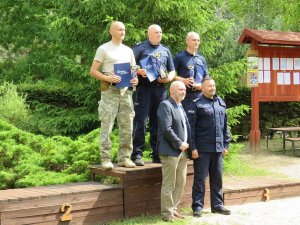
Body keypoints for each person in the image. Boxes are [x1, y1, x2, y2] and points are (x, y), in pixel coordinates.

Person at [90, 21, 138, 169]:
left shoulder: (128, 50)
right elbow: (93, 71)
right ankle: (105, 159)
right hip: (110, 91)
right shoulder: (103, 49)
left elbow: (133, 69)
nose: (122, 32)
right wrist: (108, 78)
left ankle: (124, 158)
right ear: (111, 31)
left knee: (127, 126)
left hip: (125, 93)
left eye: (124, 29)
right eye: (119, 29)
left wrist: (135, 78)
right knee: (107, 125)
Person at [131, 24, 176, 166]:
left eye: (161, 32)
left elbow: (172, 70)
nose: (159, 34)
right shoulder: (140, 48)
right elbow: (130, 65)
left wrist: (169, 78)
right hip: (144, 89)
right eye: (156, 32)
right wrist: (138, 71)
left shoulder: (165, 50)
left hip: (160, 90)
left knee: (159, 122)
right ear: (149, 34)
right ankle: (136, 154)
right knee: (141, 121)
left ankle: (157, 154)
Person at [187, 77, 231, 217]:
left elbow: (225, 127)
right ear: (203, 88)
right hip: (202, 149)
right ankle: (198, 207)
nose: (213, 88)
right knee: (200, 179)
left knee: (217, 178)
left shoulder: (221, 103)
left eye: (214, 85)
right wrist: (192, 148)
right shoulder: (196, 104)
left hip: (218, 149)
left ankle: (217, 205)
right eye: (209, 86)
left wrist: (226, 144)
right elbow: (190, 129)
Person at [157, 81, 191, 222]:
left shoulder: (180, 106)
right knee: (169, 184)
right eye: (181, 89)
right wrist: (179, 143)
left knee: (181, 182)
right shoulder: (165, 105)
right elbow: (166, 129)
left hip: (183, 152)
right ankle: (167, 214)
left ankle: (174, 209)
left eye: (184, 89)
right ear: (172, 91)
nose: (184, 91)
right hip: (170, 151)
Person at [173, 31, 209, 112]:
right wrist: (183, 80)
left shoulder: (201, 59)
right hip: (185, 95)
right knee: (187, 121)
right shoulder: (179, 57)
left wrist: (202, 85)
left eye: (198, 40)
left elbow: (206, 77)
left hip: (200, 95)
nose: (196, 42)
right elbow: (171, 75)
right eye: (194, 40)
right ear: (187, 41)